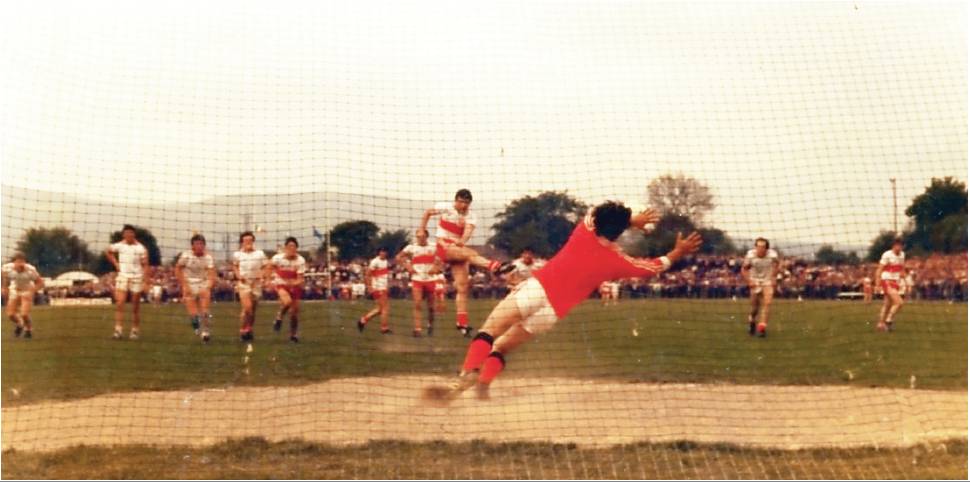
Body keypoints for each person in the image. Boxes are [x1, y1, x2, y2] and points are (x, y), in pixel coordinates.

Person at [428, 202, 702, 401]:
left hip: (536, 290)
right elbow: (654, 267)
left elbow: (594, 211)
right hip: (553, 312)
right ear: (618, 231)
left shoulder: (584, 232)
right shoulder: (616, 260)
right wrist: (677, 251)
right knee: (502, 347)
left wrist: (631, 219)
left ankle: (467, 374)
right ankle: (483, 387)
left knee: (489, 331)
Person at [420, 189, 514, 336]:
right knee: (471, 254)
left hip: (457, 249)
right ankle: (494, 266)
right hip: (443, 246)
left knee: (463, 288)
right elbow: (427, 213)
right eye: (461, 201)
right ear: (456, 200)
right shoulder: (445, 207)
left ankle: (462, 324)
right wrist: (422, 229)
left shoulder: (471, 216)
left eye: (467, 203)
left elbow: (467, 232)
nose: (464, 205)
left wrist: (462, 241)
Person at [105, 224, 151, 340]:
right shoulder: (119, 245)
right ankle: (118, 330)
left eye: (131, 233)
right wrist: (116, 264)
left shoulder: (141, 248)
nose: (129, 235)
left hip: (137, 278)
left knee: (135, 306)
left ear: (134, 234)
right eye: (126, 233)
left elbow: (145, 265)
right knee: (120, 303)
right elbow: (108, 251)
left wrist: (146, 281)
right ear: (123, 235)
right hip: (123, 277)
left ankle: (135, 330)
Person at [397, 228, 442, 336]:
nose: (420, 239)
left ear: (427, 236)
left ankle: (430, 324)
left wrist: (437, 267)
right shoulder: (411, 247)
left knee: (431, 307)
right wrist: (407, 266)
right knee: (417, 303)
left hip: (430, 279)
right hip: (417, 279)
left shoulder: (434, 246)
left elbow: (443, 256)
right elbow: (398, 257)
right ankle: (417, 329)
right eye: (418, 237)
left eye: (422, 237)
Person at [175, 234, 217, 342]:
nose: (199, 246)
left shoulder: (208, 258)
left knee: (205, 311)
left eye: (201, 244)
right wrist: (184, 285)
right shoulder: (186, 256)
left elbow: (212, 273)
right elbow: (178, 270)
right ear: (192, 246)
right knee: (194, 315)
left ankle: (206, 332)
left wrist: (208, 286)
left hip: (203, 283)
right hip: (189, 283)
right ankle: (197, 326)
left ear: (204, 245)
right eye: (197, 244)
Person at [232, 231, 269, 342]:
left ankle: (249, 329)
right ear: (242, 242)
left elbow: (266, 266)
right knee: (247, 307)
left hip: (256, 284)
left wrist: (262, 274)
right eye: (245, 240)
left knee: (252, 310)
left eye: (250, 240)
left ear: (253, 241)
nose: (248, 242)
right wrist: (238, 276)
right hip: (244, 284)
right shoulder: (237, 254)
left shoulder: (260, 254)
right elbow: (234, 266)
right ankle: (243, 330)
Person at [741, 238, 780, 337]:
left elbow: (777, 265)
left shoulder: (772, 255)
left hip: (767, 281)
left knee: (767, 303)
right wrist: (749, 281)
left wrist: (773, 277)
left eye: (762, 247)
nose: (760, 249)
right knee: (755, 308)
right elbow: (744, 270)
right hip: (755, 281)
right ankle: (752, 321)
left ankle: (762, 327)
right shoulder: (750, 256)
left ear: (766, 248)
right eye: (758, 246)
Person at [270, 237, 306, 343]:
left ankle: (293, 335)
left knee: (294, 313)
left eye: (294, 246)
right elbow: (269, 267)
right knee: (287, 302)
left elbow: (300, 278)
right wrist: (269, 279)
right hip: (281, 284)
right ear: (285, 248)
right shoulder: (277, 258)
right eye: (290, 246)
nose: (292, 248)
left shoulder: (300, 260)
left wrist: (294, 283)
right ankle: (279, 317)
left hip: (294, 286)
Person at [1, 253, 43, 338]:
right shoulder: (7, 269)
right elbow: (6, 279)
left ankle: (28, 330)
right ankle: (20, 324)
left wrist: (32, 291)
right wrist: (5, 289)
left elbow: (40, 283)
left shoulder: (31, 270)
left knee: (24, 314)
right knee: (10, 314)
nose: (20, 264)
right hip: (14, 290)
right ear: (14, 263)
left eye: (22, 261)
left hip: (27, 290)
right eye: (18, 262)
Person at [357, 248, 392, 334]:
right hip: (378, 287)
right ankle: (384, 328)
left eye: (385, 252)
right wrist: (369, 287)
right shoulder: (375, 262)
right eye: (382, 252)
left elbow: (384, 276)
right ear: (379, 253)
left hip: (383, 287)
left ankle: (363, 320)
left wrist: (387, 285)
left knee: (379, 309)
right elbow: (367, 275)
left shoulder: (385, 262)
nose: (383, 253)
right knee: (385, 308)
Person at [874, 238, 906, 332]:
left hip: (895, 281)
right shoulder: (887, 255)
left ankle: (880, 324)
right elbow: (879, 269)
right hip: (886, 280)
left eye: (901, 245)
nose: (899, 247)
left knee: (887, 304)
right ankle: (888, 320)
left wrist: (903, 275)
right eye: (898, 245)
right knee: (899, 302)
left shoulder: (902, 255)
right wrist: (877, 284)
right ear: (894, 246)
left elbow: (902, 267)